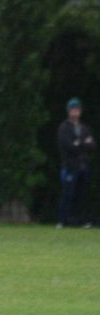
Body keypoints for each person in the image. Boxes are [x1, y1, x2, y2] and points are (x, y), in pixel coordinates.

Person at [56, 98, 95, 229]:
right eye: (73, 109)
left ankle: (82, 221)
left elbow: (92, 146)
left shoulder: (84, 128)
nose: (75, 112)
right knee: (68, 193)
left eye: (77, 109)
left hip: (83, 166)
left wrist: (79, 142)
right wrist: (83, 143)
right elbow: (68, 146)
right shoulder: (64, 128)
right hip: (69, 166)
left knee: (83, 194)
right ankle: (62, 220)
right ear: (69, 111)